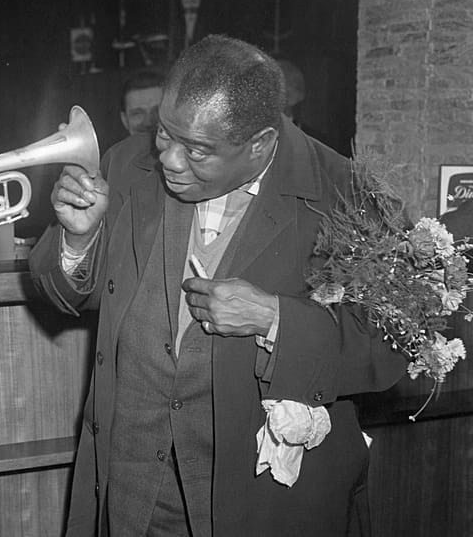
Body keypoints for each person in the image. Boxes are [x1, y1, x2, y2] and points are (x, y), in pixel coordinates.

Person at [30, 34, 407, 536]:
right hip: (133, 491)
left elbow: (390, 348)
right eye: (165, 134)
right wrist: (78, 239)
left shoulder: (351, 195)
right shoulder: (126, 162)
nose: (169, 160)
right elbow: (65, 294)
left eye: (198, 152)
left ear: (261, 145)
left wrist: (274, 318)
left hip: (263, 508)